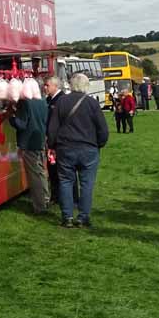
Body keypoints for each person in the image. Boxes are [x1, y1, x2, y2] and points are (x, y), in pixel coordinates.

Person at [47, 73, 109, 228]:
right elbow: (103, 129)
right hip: (88, 148)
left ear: (71, 85)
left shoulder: (61, 102)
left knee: (65, 182)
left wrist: (52, 146)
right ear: (85, 86)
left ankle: (67, 217)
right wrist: (99, 144)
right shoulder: (92, 103)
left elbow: (52, 128)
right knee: (87, 184)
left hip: (65, 148)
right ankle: (83, 217)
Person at [8, 81, 49, 214]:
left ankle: (39, 206)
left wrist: (12, 117)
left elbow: (22, 124)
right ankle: (46, 197)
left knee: (34, 175)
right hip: (40, 139)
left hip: (29, 143)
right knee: (41, 171)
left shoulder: (24, 103)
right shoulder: (43, 101)